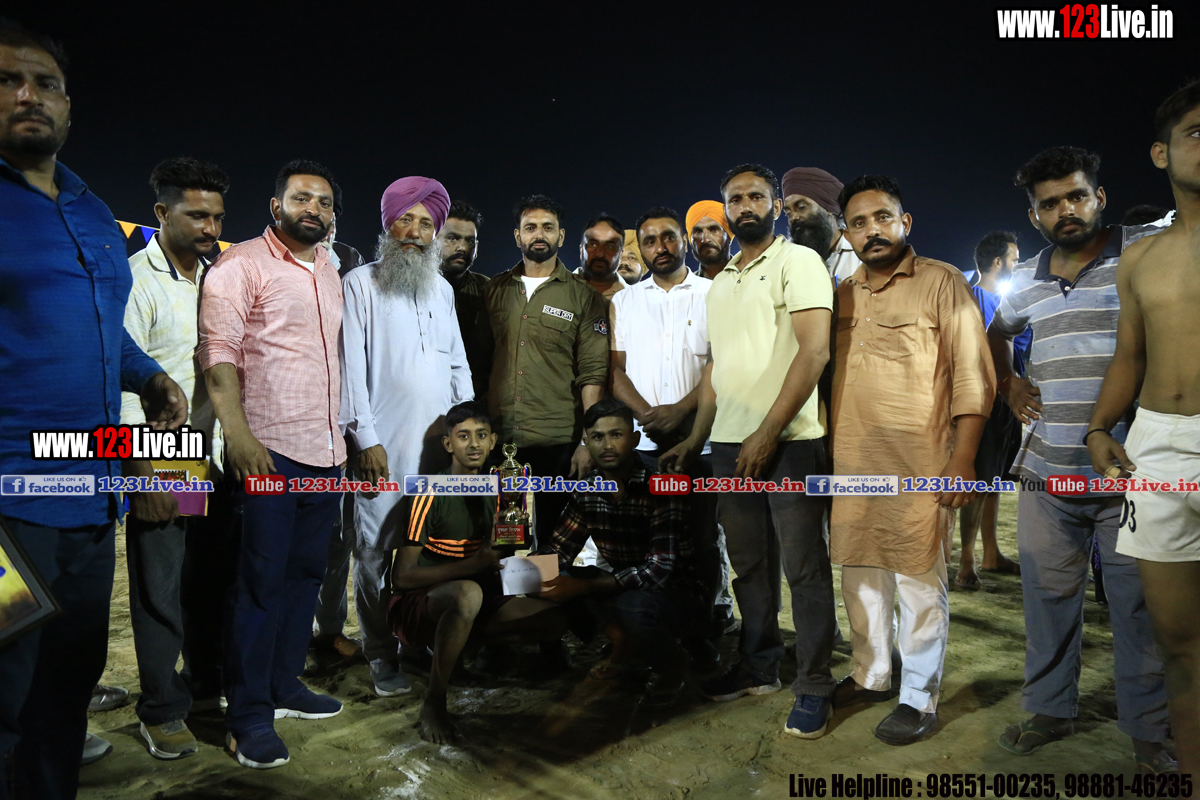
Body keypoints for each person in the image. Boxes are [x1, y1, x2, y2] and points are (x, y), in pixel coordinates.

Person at [0, 21, 187, 799]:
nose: (27, 95)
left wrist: (149, 377)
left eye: (44, 83)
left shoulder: (92, 212)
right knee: (3, 688)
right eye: (7, 81)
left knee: (64, 688)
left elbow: (107, 329)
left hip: (88, 502)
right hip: (9, 511)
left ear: (68, 105)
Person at [989, 146, 1171, 772]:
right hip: (1046, 472)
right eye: (1049, 203)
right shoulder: (1026, 280)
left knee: (1138, 608)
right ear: (1033, 215)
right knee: (1047, 599)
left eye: (1076, 196)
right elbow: (997, 331)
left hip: (1134, 472)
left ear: (1100, 197)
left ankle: (1150, 732)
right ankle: (1049, 709)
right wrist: (1008, 382)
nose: (1065, 210)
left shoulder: (1145, 251)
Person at [660, 164, 836, 739]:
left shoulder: (798, 262)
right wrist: (697, 438)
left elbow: (814, 352)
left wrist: (768, 431)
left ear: (775, 205)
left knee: (804, 568)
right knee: (750, 566)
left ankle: (814, 684)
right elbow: (717, 369)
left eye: (755, 196)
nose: (744, 207)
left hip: (790, 443)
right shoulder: (722, 283)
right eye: (734, 199)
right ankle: (760, 666)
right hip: (727, 446)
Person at [829, 175, 994, 745]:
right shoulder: (842, 293)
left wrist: (963, 458)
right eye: (858, 222)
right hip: (853, 461)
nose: (871, 230)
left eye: (882, 217)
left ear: (905, 222)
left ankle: (919, 697)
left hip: (921, 461)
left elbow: (973, 374)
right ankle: (871, 674)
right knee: (861, 573)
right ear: (846, 233)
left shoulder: (942, 282)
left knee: (919, 579)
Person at [198, 159, 346, 770]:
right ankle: (249, 716)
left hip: (326, 452)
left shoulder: (330, 268)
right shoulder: (241, 266)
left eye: (324, 201)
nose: (314, 209)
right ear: (275, 205)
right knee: (258, 585)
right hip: (268, 452)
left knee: (305, 575)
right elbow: (217, 350)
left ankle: (285, 683)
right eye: (302, 198)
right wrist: (236, 434)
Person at [1087, 79, 1200, 777]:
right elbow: (1129, 355)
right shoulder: (1140, 257)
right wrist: (1100, 427)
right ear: (1162, 153)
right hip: (1158, 447)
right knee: (1179, 645)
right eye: (1197, 132)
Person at [120, 156, 236, 759]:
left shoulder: (218, 278)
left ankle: (202, 685)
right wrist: (142, 472)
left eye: (217, 216)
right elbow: (121, 388)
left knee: (209, 583)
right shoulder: (135, 281)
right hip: (166, 454)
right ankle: (161, 709)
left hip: (216, 456)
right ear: (161, 213)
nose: (210, 227)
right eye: (196, 216)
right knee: (160, 590)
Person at [340, 175, 471, 697]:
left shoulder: (442, 289)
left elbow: (457, 365)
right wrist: (365, 439)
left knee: (432, 551)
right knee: (374, 554)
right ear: (387, 226)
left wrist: (465, 434)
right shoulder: (360, 284)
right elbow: (351, 370)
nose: (415, 231)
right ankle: (379, 653)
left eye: (426, 222)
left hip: (437, 453)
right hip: (382, 449)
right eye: (405, 220)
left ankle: (416, 640)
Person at [390, 402, 567, 743]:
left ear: (493, 441)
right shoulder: (430, 490)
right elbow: (402, 577)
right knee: (467, 593)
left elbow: (501, 558)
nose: (474, 444)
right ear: (448, 444)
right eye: (464, 436)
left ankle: (457, 649)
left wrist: (522, 549)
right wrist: (473, 565)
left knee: (555, 616)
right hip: (422, 603)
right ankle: (435, 700)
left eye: (481, 435)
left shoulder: (503, 489)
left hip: (476, 595)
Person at [611, 206, 733, 644]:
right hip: (644, 445)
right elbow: (615, 370)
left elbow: (721, 364)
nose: (659, 247)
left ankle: (704, 628)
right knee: (648, 542)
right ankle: (654, 630)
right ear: (640, 248)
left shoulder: (714, 293)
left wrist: (680, 411)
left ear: (684, 240)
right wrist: (649, 415)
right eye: (649, 240)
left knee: (702, 540)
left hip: (702, 444)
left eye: (668, 237)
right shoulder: (624, 301)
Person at [541, 399, 707, 707]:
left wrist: (587, 586)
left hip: (673, 595)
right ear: (586, 441)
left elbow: (659, 570)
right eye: (597, 436)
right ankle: (623, 641)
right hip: (621, 586)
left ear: (634, 439)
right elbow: (559, 548)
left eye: (616, 435)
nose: (607, 445)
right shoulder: (587, 489)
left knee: (633, 605)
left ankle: (673, 664)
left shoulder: (661, 486)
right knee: (552, 577)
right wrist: (524, 573)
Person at [484, 195, 609, 548]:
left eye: (547, 227)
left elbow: (593, 373)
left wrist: (587, 441)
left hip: (558, 442)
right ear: (517, 236)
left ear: (561, 236)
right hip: (499, 440)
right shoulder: (494, 290)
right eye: (530, 227)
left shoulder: (584, 297)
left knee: (554, 546)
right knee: (503, 543)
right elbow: (478, 362)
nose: (539, 234)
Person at [954, 230, 1026, 590]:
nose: (1018, 265)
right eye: (1014, 259)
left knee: (994, 479)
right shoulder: (975, 300)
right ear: (998, 262)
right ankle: (967, 559)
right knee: (979, 480)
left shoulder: (1006, 301)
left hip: (1007, 402)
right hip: (986, 400)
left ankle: (991, 552)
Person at [439, 200, 492, 403]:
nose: (462, 247)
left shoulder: (488, 291)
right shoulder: (411, 289)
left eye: (470, 241)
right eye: (452, 238)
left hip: (476, 402)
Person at [781, 167, 861, 282]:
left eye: (801, 207)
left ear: (829, 208)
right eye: (788, 213)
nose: (793, 218)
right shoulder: (786, 259)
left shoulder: (860, 252)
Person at [576, 213, 628, 303]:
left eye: (610, 246)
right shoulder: (556, 290)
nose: (600, 254)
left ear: (620, 254)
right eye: (593, 244)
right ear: (581, 250)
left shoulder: (634, 300)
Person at [685, 200, 733, 280]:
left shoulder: (750, 277)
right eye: (698, 232)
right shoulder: (687, 285)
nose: (705, 240)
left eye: (714, 230)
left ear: (728, 234)